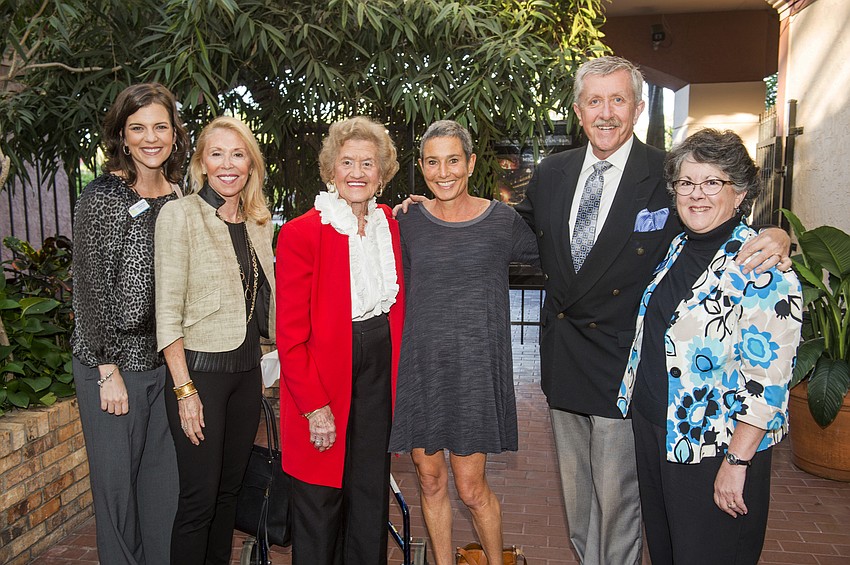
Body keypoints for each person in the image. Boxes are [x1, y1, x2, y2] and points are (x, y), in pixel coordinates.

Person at [513, 56, 792, 564]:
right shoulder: (552, 173)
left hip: (629, 372)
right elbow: (513, 235)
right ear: (578, 110)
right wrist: (436, 210)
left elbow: (720, 214)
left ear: (638, 108)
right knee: (583, 507)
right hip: (567, 364)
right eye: (593, 101)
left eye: (617, 99)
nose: (605, 113)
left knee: (623, 509)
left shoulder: (667, 172)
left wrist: (779, 235)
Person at [617, 128, 802, 564]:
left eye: (712, 183)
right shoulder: (680, 245)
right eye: (686, 183)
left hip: (716, 447)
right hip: (660, 432)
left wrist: (737, 463)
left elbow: (768, 383)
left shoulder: (763, 269)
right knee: (666, 551)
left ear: (739, 193)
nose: (696, 195)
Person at [388, 120, 538, 565]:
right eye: (432, 162)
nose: (443, 172)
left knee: (471, 488)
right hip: (422, 371)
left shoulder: (502, 221)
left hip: (474, 371)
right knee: (429, 481)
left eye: (453, 160)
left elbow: (562, 252)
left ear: (471, 163)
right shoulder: (408, 220)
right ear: (421, 167)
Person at [275, 116, 405, 564]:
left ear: (382, 174)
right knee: (319, 499)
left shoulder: (392, 223)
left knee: (369, 493)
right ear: (331, 170)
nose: (356, 172)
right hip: (323, 371)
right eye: (346, 162)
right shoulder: (301, 233)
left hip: (378, 365)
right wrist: (315, 406)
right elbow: (289, 335)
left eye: (368, 163)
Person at [71, 82, 187, 564]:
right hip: (113, 366)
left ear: (175, 134)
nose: (151, 137)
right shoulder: (103, 197)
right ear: (121, 134)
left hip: (164, 365)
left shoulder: (180, 194)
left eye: (161, 126)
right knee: (117, 497)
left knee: (163, 492)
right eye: (138, 128)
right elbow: (89, 289)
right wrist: (106, 369)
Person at [154, 116, 276, 565]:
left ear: (251, 165)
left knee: (229, 495)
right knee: (199, 501)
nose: (228, 164)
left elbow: (261, 303)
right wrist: (184, 391)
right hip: (199, 377)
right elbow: (166, 312)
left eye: (238, 154)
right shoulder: (179, 215)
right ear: (202, 163)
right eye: (217, 154)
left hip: (246, 375)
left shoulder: (259, 221)